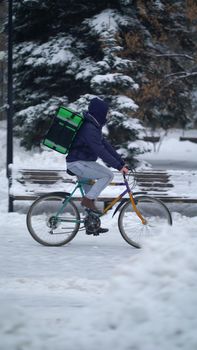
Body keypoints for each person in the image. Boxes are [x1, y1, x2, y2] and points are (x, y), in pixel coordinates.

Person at [66, 97, 128, 233]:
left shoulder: (94, 126)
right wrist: (118, 167)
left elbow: (106, 146)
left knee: (91, 195)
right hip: (78, 163)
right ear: (99, 113)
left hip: (82, 162)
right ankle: (87, 201)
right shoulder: (90, 128)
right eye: (106, 112)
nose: (107, 115)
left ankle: (91, 225)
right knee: (107, 175)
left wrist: (121, 162)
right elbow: (100, 151)